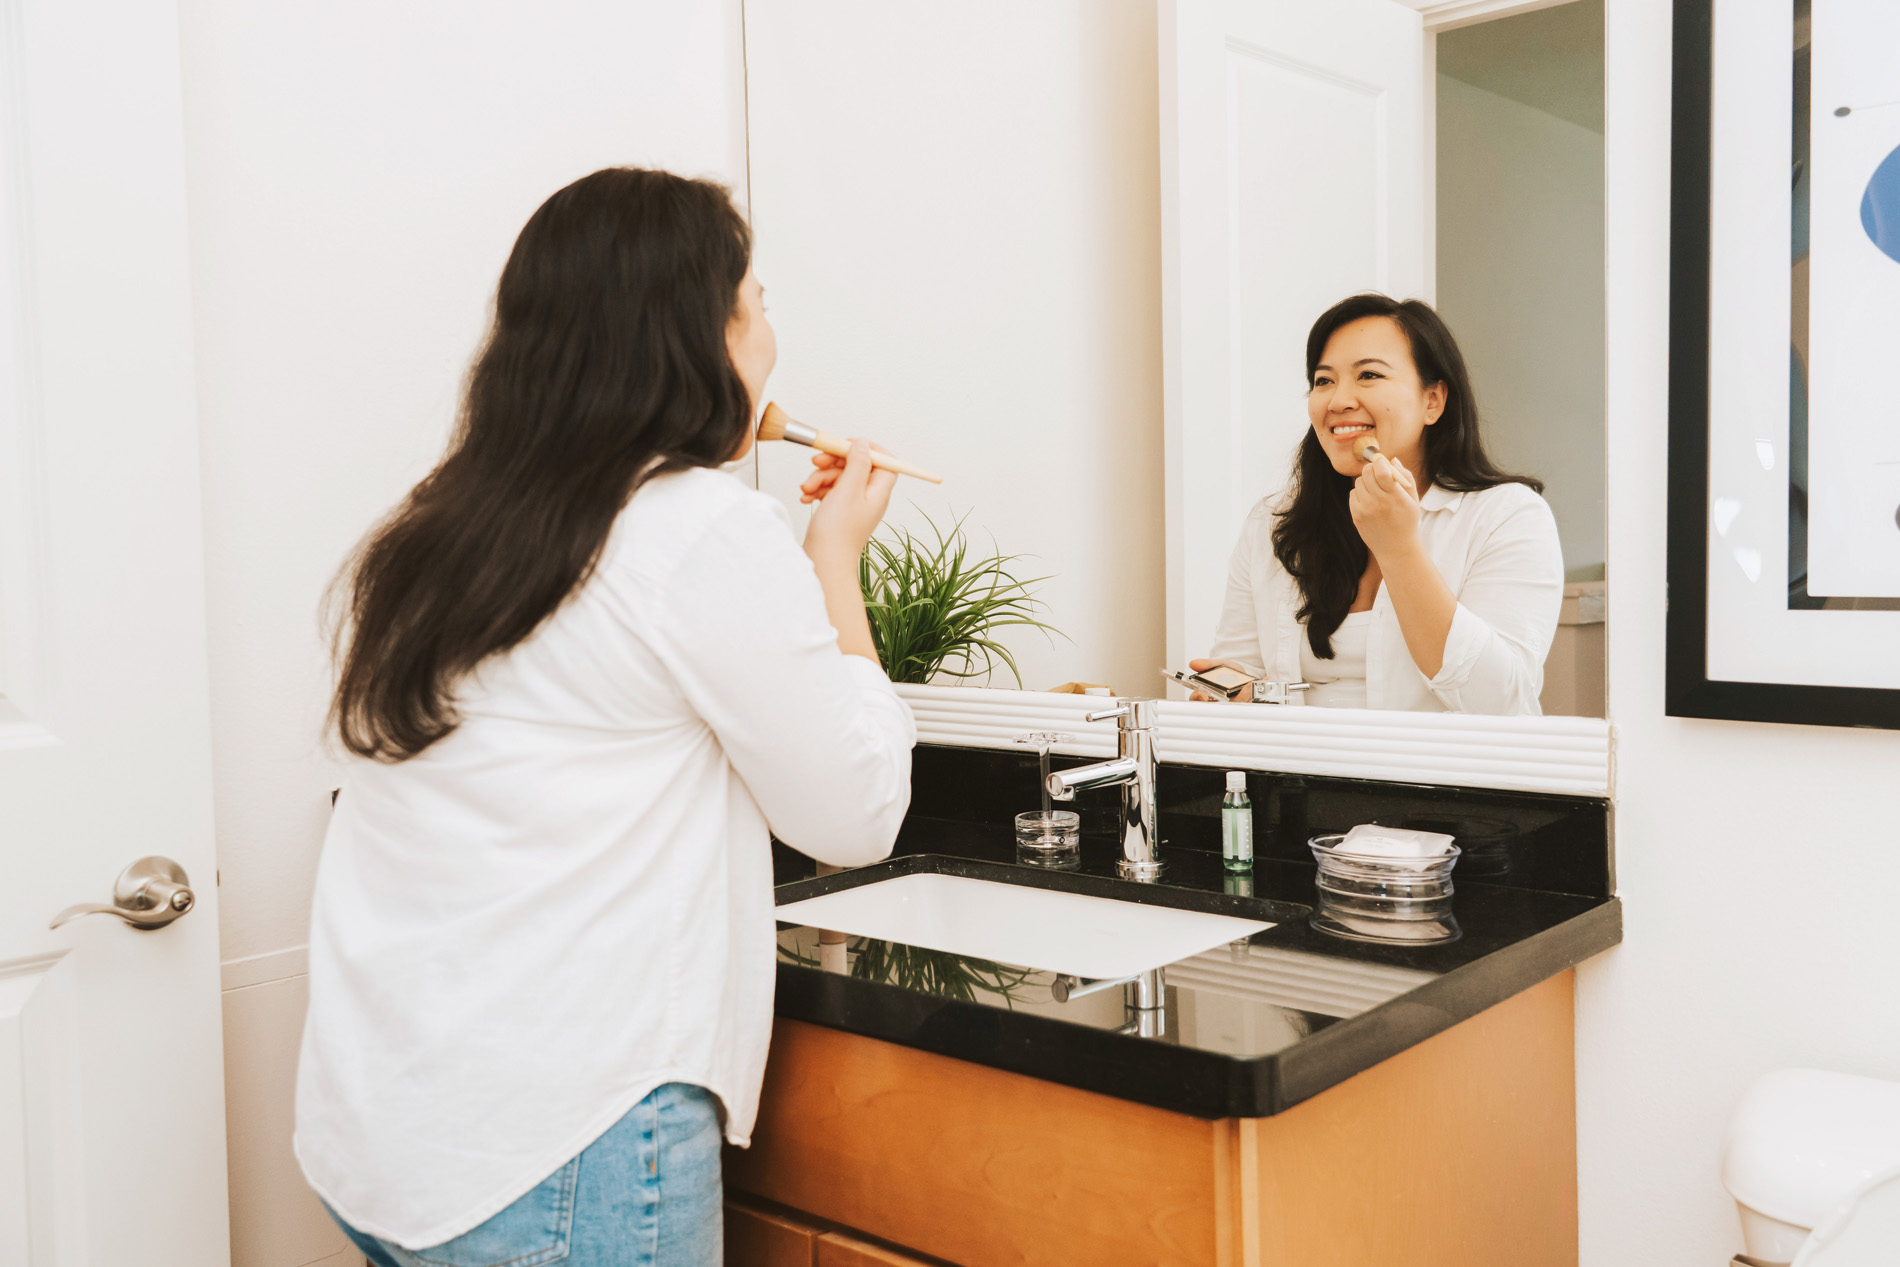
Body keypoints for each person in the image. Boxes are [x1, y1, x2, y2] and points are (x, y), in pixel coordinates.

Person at [296, 168, 915, 1267]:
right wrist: (834, 563)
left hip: (384, 1129)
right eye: (758, 301)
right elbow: (856, 812)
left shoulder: (437, 531)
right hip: (565, 1148)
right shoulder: (699, 528)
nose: (772, 332)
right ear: (698, 334)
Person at [1190, 293, 1562, 714]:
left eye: (1368, 375)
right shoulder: (1273, 524)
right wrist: (1233, 694)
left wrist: (1399, 549)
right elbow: (1246, 671)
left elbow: (1500, 702)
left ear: (1433, 401)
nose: (1337, 401)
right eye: (1323, 380)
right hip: (1296, 776)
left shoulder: (1508, 516)